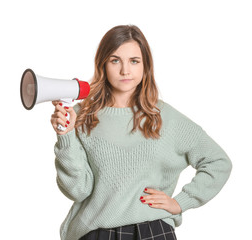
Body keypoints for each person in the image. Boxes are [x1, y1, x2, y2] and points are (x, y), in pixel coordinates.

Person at [50, 25, 232, 240]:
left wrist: (181, 202)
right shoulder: (81, 116)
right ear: (103, 65)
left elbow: (218, 162)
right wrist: (66, 135)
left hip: (154, 231)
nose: (125, 70)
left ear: (145, 66)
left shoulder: (165, 117)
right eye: (115, 60)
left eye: (134, 61)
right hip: (98, 233)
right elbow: (78, 190)